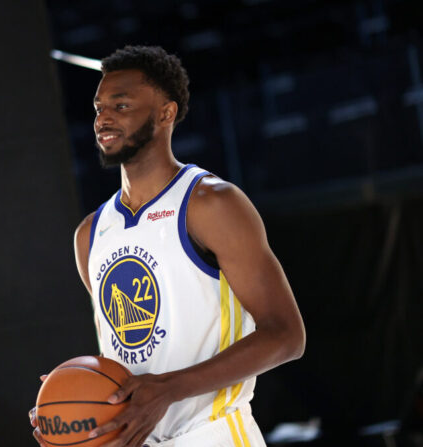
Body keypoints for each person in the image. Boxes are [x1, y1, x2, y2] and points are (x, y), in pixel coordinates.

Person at [30, 45, 306, 447]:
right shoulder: (90, 234)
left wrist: (168, 389)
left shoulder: (211, 203)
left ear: (166, 113)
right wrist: (72, 394)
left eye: (121, 105)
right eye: (98, 107)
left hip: (214, 436)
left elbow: (286, 335)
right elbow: (133, 353)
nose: (103, 118)